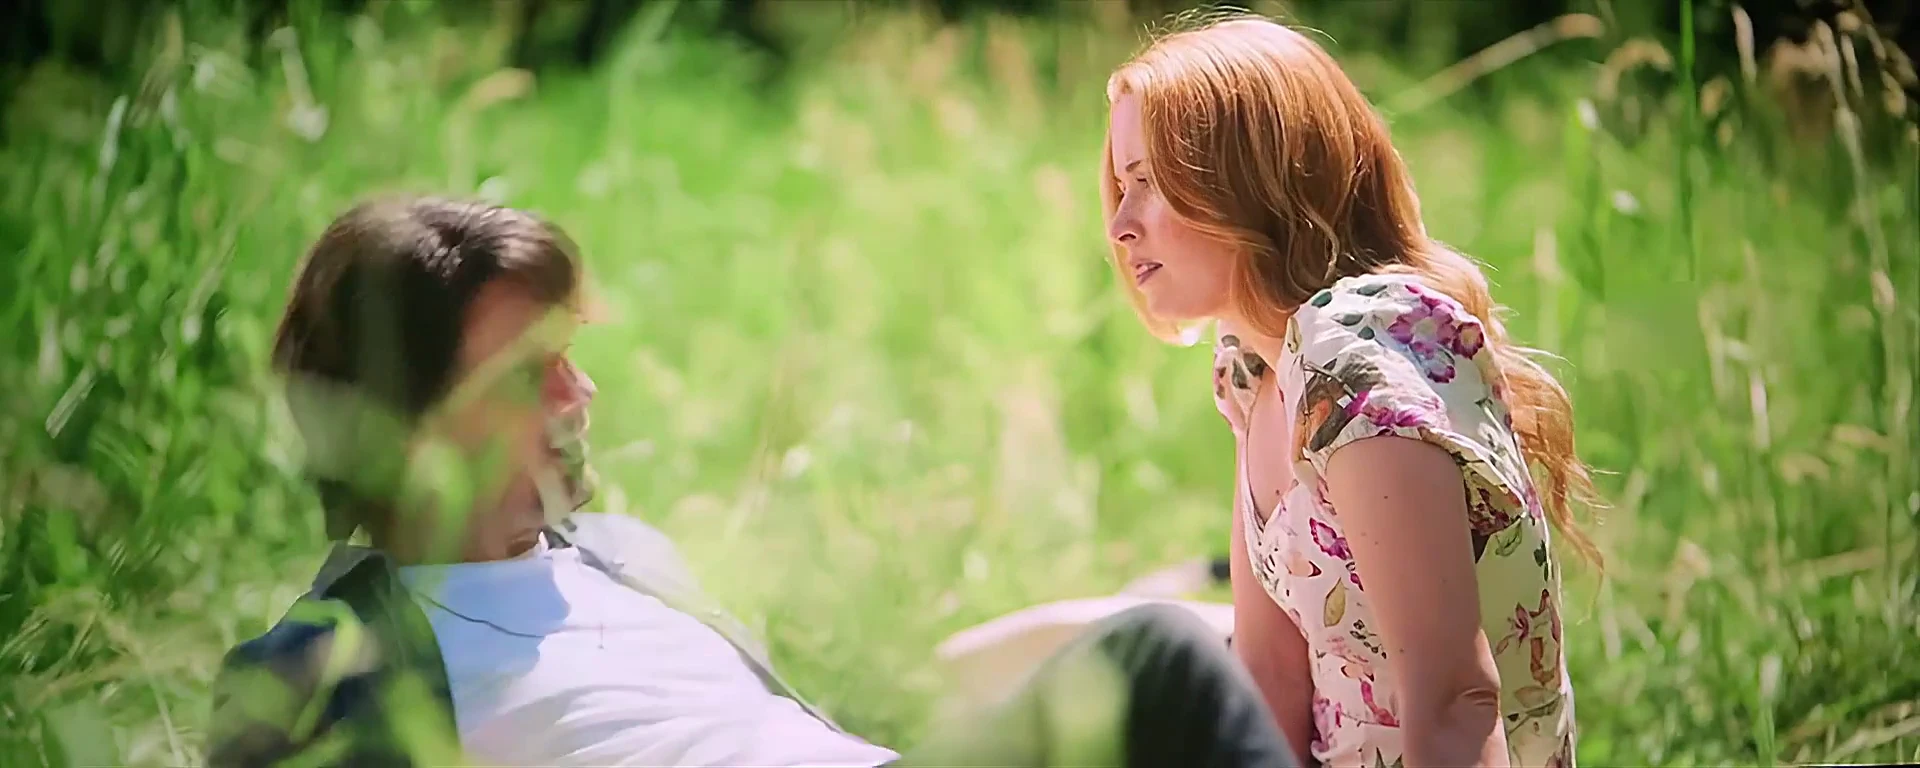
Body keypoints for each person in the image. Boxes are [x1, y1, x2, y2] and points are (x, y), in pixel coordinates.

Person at [204, 196, 1301, 768]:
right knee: (1159, 660)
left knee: (1188, 655)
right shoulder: (323, 664)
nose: (581, 394)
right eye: (532, 372)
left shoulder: (626, 559)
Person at [1099, 16, 1601, 768]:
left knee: (1152, 650)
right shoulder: (1256, 371)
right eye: (1120, 185)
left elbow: (1455, 702)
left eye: (1149, 183)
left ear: (1248, 178)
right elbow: (1271, 678)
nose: (1120, 224)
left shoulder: (1357, 355)